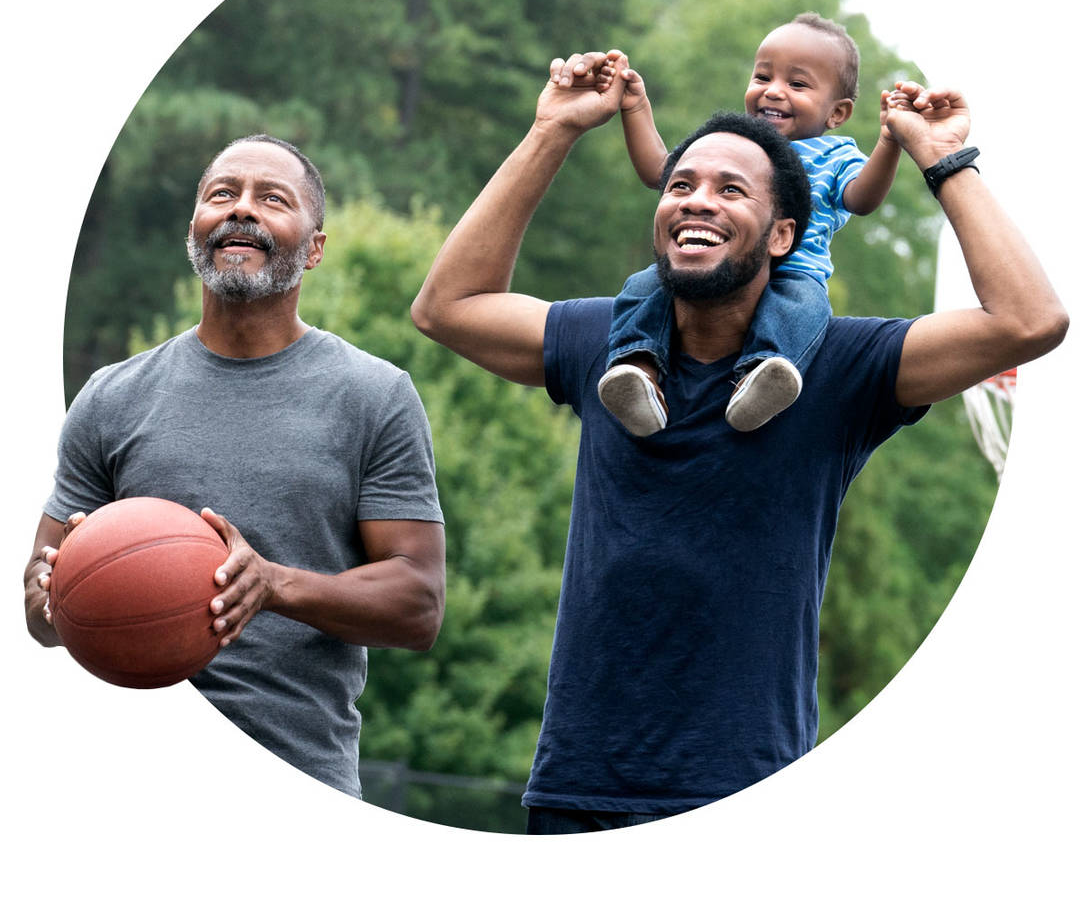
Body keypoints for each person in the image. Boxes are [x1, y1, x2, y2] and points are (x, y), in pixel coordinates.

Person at [410, 50, 1067, 834]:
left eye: (730, 190)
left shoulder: (841, 366)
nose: (698, 202)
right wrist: (552, 129)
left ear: (785, 234)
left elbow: (1030, 322)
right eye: (682, 185)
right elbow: (447, 306)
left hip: (749, 789)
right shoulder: (607, 343)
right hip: (580, 783)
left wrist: (943, 157)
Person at [24, 134, 446, 798]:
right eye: (222, 194)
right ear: (194, 229)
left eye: (271, 199)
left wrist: (273, 585)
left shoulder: (374, 396)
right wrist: (54, 592)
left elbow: (418, 605)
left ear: (314, 248)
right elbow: (39, 611)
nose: (240, 210)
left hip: (297, 780)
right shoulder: (111, 397)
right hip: (126, 789)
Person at [597, 13, 903, 436]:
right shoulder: (731, 147)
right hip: (713, 266)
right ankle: (638, 369)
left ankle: (762, 378)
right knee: (643, 287)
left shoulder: (836, 157)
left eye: (797, 84)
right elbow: (659, 172)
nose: (773, 91)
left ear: (838, 112)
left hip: (793, 274)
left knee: (804, 309)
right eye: (763, 76)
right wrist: (635, 107)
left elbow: (863, 199)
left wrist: (889, 142)